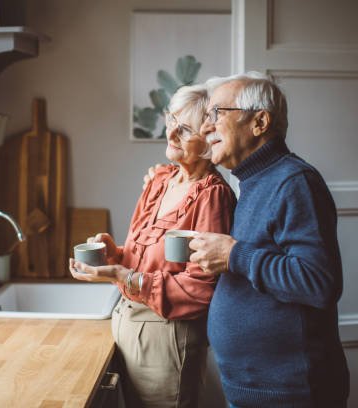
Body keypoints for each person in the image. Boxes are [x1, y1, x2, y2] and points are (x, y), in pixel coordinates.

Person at [185, 72, 350, 407]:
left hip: (291, 394)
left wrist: (235, 256)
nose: (205, 128)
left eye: (217, 114)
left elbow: (319, 283)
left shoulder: (294, 181)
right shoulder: (252, 182)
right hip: (256, 390)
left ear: (260, 122)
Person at [69, 84, 236, 407]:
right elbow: (143, 258)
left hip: (166, 337)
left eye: (185, 129)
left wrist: (125, 276)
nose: (171, 133)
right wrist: (115, 254)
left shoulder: (211, 195)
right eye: (171, 120)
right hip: (127, 325)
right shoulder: (160, 181)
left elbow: (201, 290)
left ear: (209, 138)